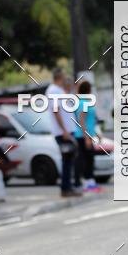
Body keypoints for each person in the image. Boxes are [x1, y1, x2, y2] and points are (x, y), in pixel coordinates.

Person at [46, 67, 81, 199]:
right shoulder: (53, 91)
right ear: (59, 77)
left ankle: (68, 187)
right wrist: (64, 130)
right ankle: (66, 188)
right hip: (63, 132)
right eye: (64, 75)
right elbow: (56, 111)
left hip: (67, 130)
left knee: (69, 160)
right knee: (67, 160)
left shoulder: (58, 90)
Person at [73, 80, 101, 192]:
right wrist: (86, 138)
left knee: (89, 159)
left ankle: (90, 182)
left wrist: (96, 133)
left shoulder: (85, 102)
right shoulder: (83, 102)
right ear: (87, 89)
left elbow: (91, 121)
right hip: (83, 136)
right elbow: (82, 121)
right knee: (85, 159)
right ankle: (86, 183)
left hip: (88, 134)